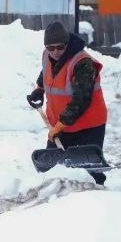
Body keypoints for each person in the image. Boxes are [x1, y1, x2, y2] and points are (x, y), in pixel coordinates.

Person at [27, 21, 109, 185]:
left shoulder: (82, 62)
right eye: (50, 48)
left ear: (67, 43)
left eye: (60, 47)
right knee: (54, 171)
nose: (55, 52)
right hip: (61, 124)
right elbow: (46, 71)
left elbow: (81, 99)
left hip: (88, 126)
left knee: (89, 173)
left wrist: (59, 125)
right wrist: (39, 89)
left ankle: (98, 199)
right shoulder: (47, 55)